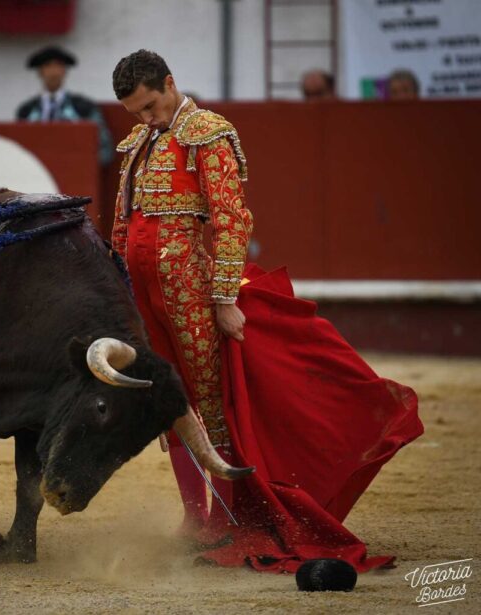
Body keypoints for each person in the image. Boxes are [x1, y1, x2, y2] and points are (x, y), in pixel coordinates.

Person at [110, 49, 422, 573]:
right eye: (136, 113)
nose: (146, 119)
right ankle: (194, 518)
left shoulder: (206, 132)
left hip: (189, 286)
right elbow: (124, 221)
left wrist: (226, 296)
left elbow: (232, 220)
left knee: (211, 401)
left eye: (151, 106)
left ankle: (227, 518)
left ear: (169, 82)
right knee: (169, 398)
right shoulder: (138, 143)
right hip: (145, 292)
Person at [17, 46, 113, 165]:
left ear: (64, 71)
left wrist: (82, 164)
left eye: (58, 65)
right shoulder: (26, 111)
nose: (53, 71)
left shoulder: (84, 108)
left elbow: (105, 149)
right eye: (48, 65)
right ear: (40, 72)